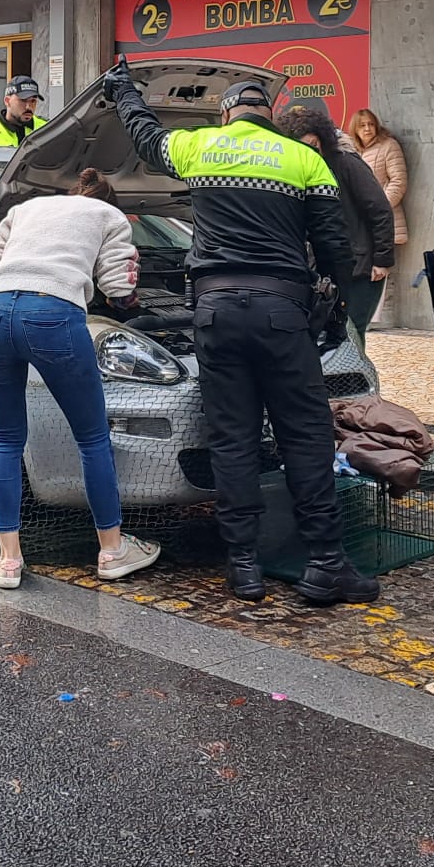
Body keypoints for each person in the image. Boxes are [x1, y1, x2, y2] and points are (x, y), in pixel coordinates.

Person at [104, 60, 376, 607]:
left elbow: (147, 136)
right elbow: (334, 245)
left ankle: (245, 567)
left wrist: (124, 92)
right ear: (270, 115)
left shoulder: (199, 145)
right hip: (282, 312)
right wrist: (333, 307)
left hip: (215, 312)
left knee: (233, 438)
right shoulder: (304, 158)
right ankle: (325, 563)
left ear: (226, 114)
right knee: (305, 435)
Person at [0, 167, 160, 590]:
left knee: (4, 437)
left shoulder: (27, 208)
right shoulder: (108, 217)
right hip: (52, 315)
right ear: (108, 202)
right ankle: (112, 551)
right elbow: (117, 287)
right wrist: (130, 299)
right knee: (92, 438)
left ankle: (9, 560)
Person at [281, 106, 394, 345]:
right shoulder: (299, 169)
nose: (310, 152)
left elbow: (380, 208)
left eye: (313, 145)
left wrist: (382, 260)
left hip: (359, 267)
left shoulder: (346, 162)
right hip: (324, 265)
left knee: (352, 332)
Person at [348, 109, 409, 257]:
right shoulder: (352, 151)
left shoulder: (388, 145)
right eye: (362, 125)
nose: (367, 129)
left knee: (381, 267)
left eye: (371, 124)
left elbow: (398, 181)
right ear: (355, 129)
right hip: (359, 225)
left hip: (383, 221)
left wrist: (380, 208)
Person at [0, 76, 47, 148]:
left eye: (33, 101)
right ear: (7, 101)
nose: (28, 106)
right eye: (23, 100)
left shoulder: (46, 128)